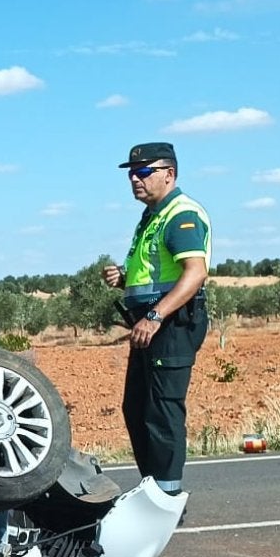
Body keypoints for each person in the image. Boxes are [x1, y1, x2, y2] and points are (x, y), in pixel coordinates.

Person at [101, 142, 211, 495]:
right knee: (136, 409)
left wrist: (154, 315)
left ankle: (167, 496)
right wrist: (124, 276)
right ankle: (153, 490)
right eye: (132, 173)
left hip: (170, 324)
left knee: (162, 411)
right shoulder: (151, 216)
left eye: (144, 171)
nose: (135, 178)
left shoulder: (180, 214)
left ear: (169, 174)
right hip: (150, 326)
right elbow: (154, 271)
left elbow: (195, 273)